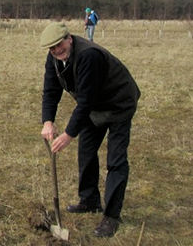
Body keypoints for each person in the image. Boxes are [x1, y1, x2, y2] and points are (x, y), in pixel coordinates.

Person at [39, 22, 140, 238]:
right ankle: (89, 200)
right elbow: (50, 90)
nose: (57, 50)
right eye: (51, 48)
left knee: (116, 160)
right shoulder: (54, 59)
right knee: (86, 151)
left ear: (69, 38)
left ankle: (112, 216)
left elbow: (84, 102)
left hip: (119, 103)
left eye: (59, 44)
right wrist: (47, 121)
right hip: (96, 107)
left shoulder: (89, 56)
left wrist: (68, 134)